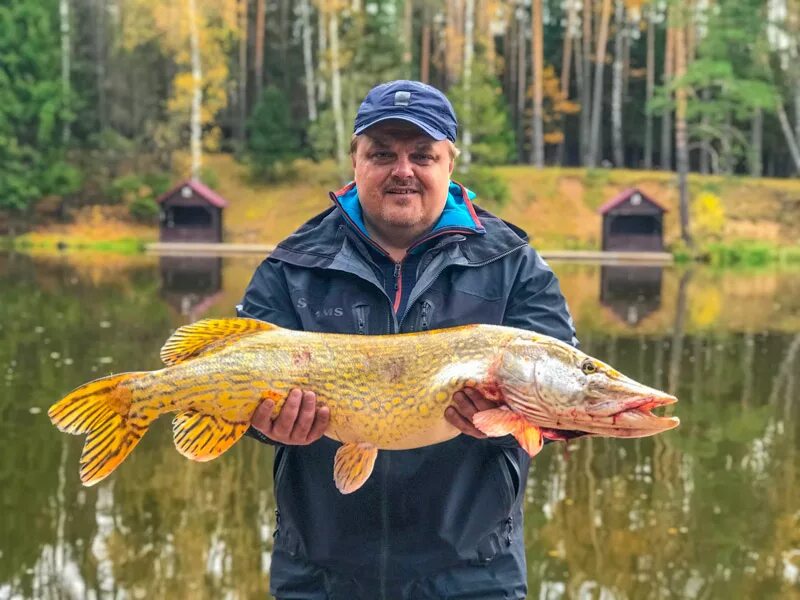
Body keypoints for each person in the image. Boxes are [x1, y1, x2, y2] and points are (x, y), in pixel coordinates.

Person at [237, 80, 577, 600]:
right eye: (382, 154)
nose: (403, 170)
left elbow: (561, 402)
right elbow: (239, 401)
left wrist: (505, 422)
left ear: (449, 164)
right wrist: (266, 426)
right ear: (355, 161)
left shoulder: (512, 266)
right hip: (321, 574)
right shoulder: (291, 265)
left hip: (473, 573)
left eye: (423, 154)